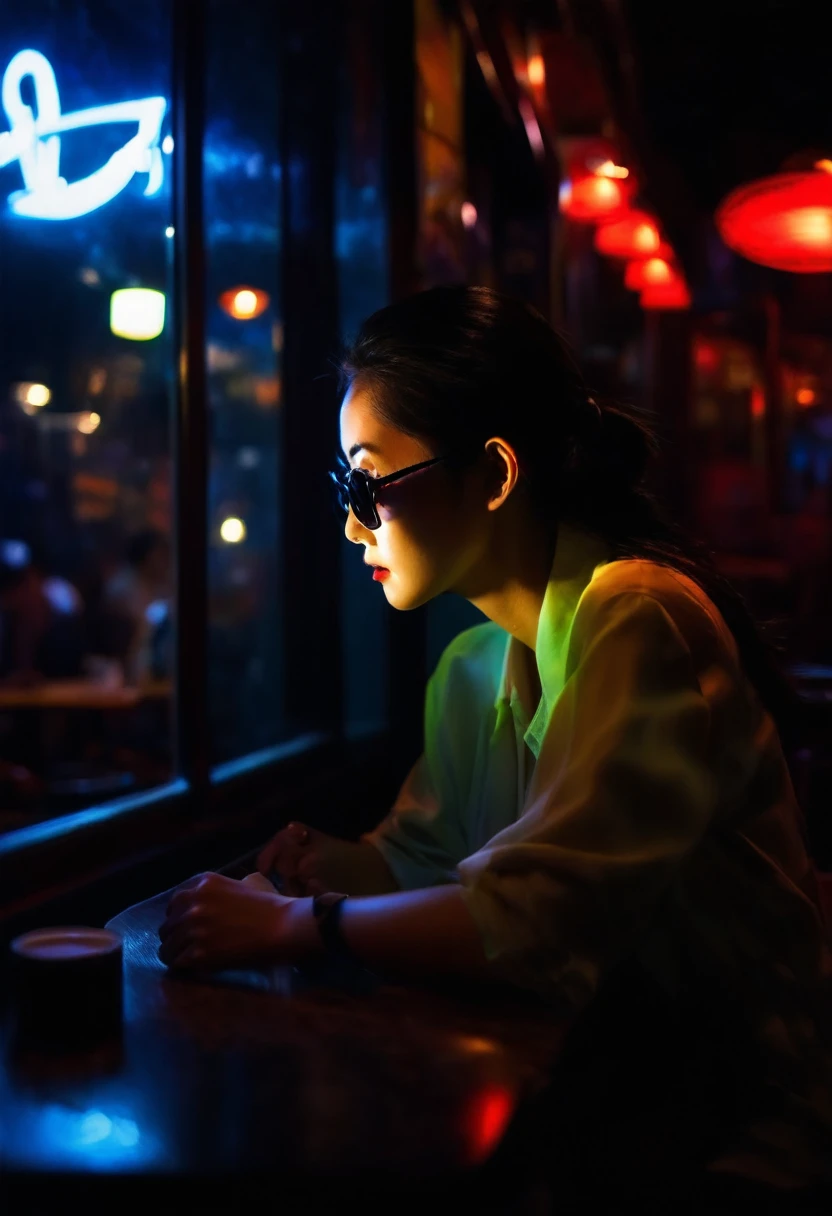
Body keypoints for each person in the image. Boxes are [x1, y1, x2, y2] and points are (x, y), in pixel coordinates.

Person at [158, 287, 832, 1209]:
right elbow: (431, 860)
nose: (354, 523)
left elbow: (538, 920)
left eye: (367, 482)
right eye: (341, 489)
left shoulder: (638, 613)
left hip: (748, 1123)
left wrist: (290, 925)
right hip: (618, 1088)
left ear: (495, 472)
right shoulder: (475, 667)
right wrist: (329, 865)